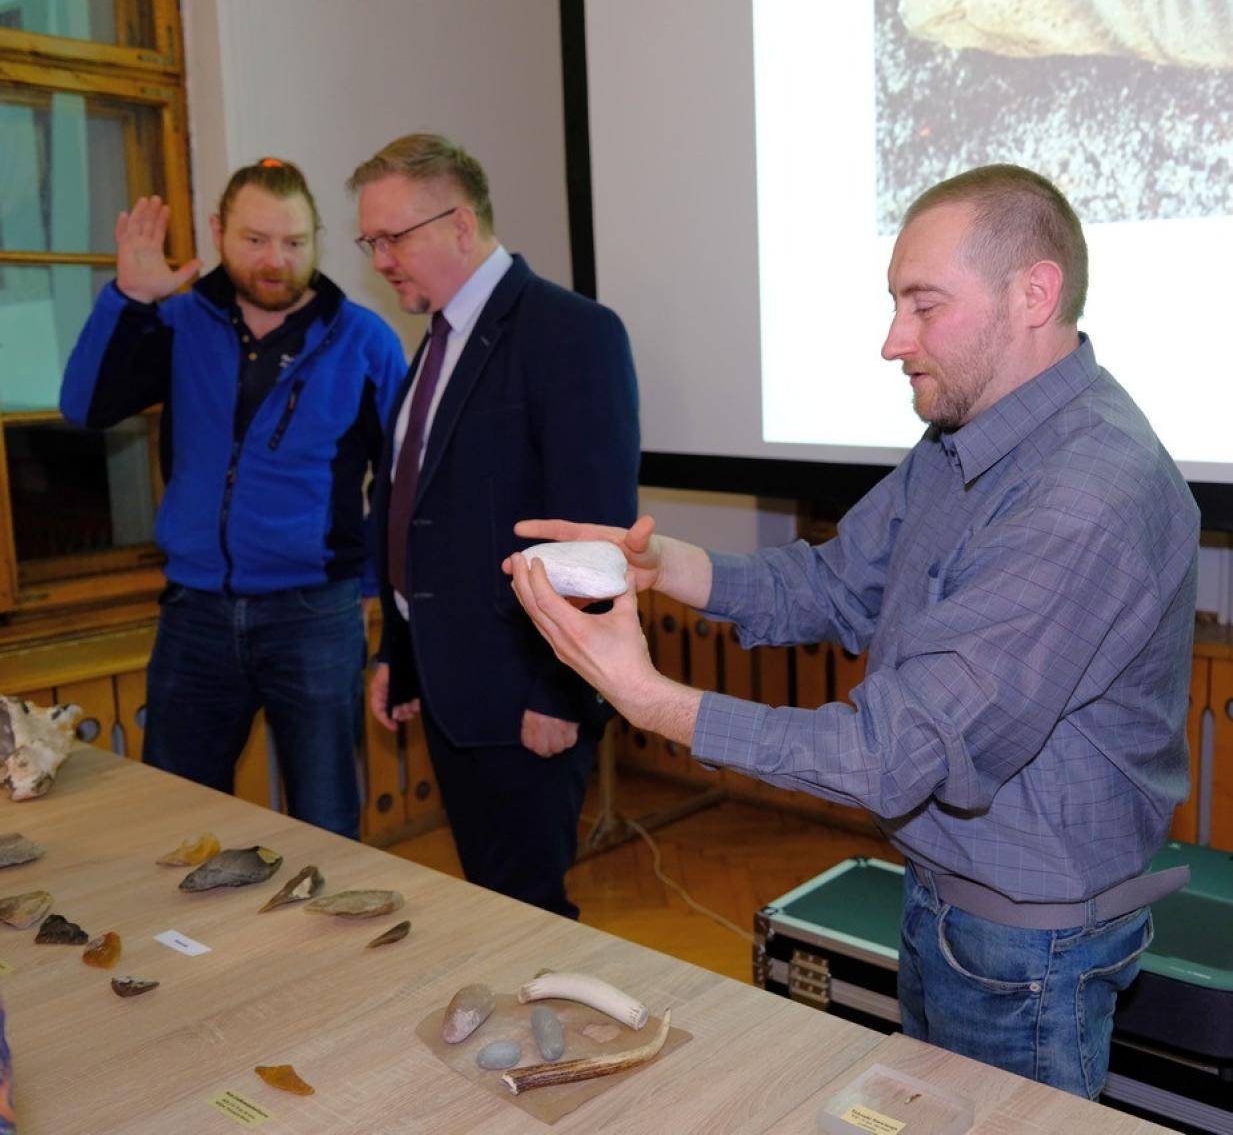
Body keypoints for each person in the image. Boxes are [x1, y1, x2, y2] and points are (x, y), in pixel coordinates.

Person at [508, 164, 1200, 1097]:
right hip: (947, 895)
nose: (891, 342)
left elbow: (894, 753)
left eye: (922, 306)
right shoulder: (969, 440)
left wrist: (647, 699)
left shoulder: (1084, 496)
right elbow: (832, 582)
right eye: (893, 306)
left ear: (1034, 292)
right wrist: (660, 564)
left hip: (1020, 945)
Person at [60, 158, 407, 839]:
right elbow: (85, 407)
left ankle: (324, 945)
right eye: (256, 240)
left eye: (295, 242)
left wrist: (371, 587)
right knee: (176, 822)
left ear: (318, 239)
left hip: (315, 616)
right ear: (219, 232)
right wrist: (128, 300)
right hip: (195, 615)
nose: (276, 260)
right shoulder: (178, 320)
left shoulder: (364, 340)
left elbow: (404, 479)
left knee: (327, 825)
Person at [349, 133, 639, 919]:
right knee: (491, 903)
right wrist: (397, 655)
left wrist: (559, 693)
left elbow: (592, 537)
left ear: (461, 225)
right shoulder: (434, 344)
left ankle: (551, 1041)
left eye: (392, 237)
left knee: (531, 913)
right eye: (368, 241)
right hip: (451, 687)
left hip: (523, 694)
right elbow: (414, 510)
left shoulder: (571, 334)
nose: (379, 259)